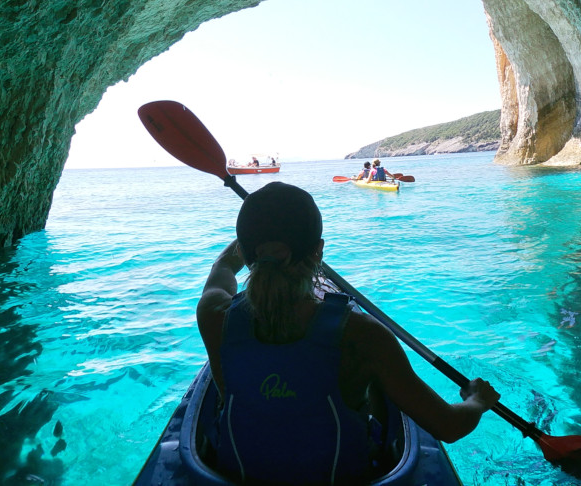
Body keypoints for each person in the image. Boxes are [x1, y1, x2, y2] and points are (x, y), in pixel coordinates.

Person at [196, 182, 499, 485]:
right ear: (319, 251)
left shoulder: (214, 316)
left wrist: (253, 236)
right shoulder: (362, 334)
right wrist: (476, 401)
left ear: (245, 251)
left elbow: (223, 265)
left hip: (243, 477)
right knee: (378, 384)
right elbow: (448, 426)